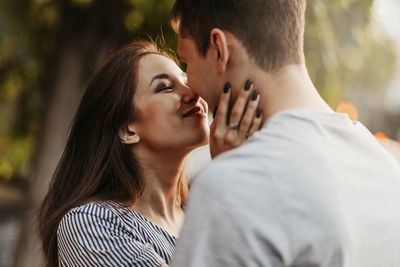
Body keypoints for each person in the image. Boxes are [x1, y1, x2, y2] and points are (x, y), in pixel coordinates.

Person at [170, 0, 400, 266]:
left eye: (186, 61)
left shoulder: (231, 188)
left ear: (219, 49)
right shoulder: (385, 167)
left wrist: (231, 174)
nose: (189, 85)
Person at [37, 41, 262, 267]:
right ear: (126, 129)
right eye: (165, 87)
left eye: (187, 81)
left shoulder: (200, 217)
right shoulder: (90, 224)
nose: (192, 93)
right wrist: (230, 176)